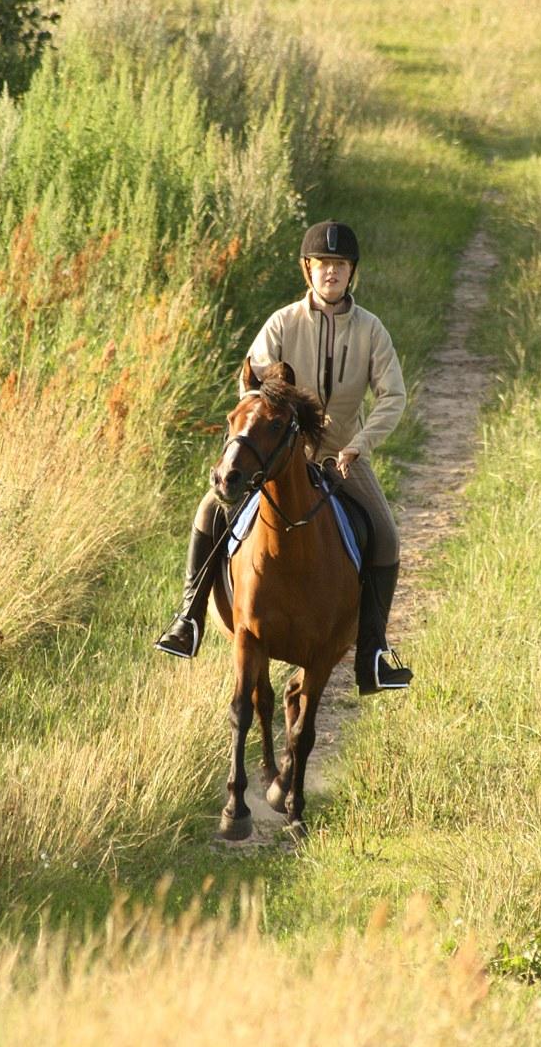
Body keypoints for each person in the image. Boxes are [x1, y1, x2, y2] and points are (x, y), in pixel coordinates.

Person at [155, 220, 412, 694]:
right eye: (322, 265)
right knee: (210, 509)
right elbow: (251, 383)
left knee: (387, 537)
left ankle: (373, 651)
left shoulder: (371, 331)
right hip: (277, 454)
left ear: (351, 272)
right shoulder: (281, 323)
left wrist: (361, 444)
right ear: (307, 271)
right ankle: (187, 619)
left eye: (339, 265)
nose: (330, 274)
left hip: (341, 457)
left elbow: (392, 396)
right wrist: (276, 421)